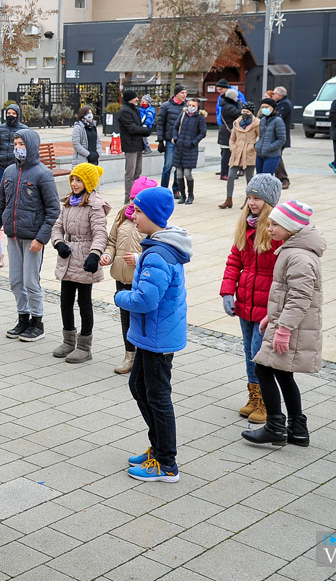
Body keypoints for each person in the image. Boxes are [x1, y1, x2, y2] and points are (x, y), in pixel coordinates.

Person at [114, 187, 192, 482]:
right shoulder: (156, 247)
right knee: (139, 386)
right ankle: (157, 447)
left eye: (140, 211)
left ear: (155, 217)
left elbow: (145, 300)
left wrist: (121, 297)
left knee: (157, 397)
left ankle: (166, 463)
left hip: (157, 337)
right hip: (150, 335)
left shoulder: (158, 254)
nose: (134, 216)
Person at [242, 201, 323, 448]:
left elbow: (300, 298)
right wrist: (271, 316)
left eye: (275, 224)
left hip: (292, 327)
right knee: (283, 374)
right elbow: (286, 293)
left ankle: (275, 426)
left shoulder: (298, 256)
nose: (269, 228)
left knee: (263, 368)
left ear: (291, 227)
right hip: (284, 322)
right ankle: (298, 430)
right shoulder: (291, 249)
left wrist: (284, 329)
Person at [219, 174, 283, 425]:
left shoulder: (276, 231)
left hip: (267, 303)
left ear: (269, 202)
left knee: (259, 352)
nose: (251, 202)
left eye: (256, 198)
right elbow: (234, 260)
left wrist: (276, 305)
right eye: (249, 197)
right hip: (245, 299)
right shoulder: (246, 225)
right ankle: (254, 395)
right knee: (248, 350)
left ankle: (267, 401)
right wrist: (227, 291)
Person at [0, 130, 60, 342]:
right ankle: (23, 317)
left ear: (32, 146)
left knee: (30, 281)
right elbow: (2, 204)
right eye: (15, 143)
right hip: (13, 236)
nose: (17, 147)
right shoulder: (9, 171)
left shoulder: (42, 174)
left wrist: (41, 238)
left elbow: (53, 210)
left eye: (21, 144)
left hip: (33, 238)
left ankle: (37, 321)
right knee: (16, 280)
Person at [49, 163, 110, 364]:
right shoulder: (68, 203)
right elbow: (57, 226)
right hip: (68, 258)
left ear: (88, 183)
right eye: (73, 180)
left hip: (85, 259)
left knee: (84, 302)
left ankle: (84, 346)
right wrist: (58, 243)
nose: (74, 184)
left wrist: (94, 254)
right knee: (65, 300)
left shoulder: (95, 205)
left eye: (79, 180)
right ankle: (68, 340)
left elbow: (100, 233)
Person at [105, 177, 156, 374]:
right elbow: (112, 240)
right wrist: (108, 255)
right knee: (125, 316)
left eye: (138, 199)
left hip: (140, 278)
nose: (133, 203)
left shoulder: (151, 221)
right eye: (132, 197)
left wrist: (138, 258)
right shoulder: (122, 216)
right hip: (121, 275)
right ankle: (129, 356)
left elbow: (156, 250)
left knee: (142, 318)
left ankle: (144, 357)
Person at [117, 90, 154, 204]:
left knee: (138, 172)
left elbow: (139, 125)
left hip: (138, 145)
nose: (138, 99)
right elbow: (132, 128)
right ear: (129, 99)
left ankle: (136, 195)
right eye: (135, 97)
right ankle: (128, 198)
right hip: (130, 146)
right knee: (130, 173)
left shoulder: (135, 110)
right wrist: (146, 130)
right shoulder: (124, 111)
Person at [221, 102, 259, 209]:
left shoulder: (257, 123)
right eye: (243, 111)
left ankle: (249, 201)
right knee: (231, 176)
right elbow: (232, 138)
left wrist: (253, 147)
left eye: (247, 111)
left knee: (249, 178)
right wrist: (233, 148)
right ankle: (229, 199)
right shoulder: (237, 122)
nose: (245, 113)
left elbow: (260, 137)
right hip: (237, 153)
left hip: (249, 153)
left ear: (251, 112)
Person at [170, 98, 207, 205]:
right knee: (179, 174)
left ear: (197, 107)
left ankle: (190, 195)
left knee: (187, 173)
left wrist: (194, 142)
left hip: (190, 148)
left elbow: (202, 132)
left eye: (193, 106)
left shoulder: (200, 118)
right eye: (190, 104)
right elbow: (175, 128)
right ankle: (183, 195)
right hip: (179, 147)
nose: (191, 107)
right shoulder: (182, 115)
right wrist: (176, 138)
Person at [158, 86, 187, 199]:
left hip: (182, 140)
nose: (184, 95)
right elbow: (161, 123)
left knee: (179, 167)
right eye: (182, 92)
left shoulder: (186, 106)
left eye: (185, 93)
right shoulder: (166, 106)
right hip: (170, 140)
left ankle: (177, 189)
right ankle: (163, 189)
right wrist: (161, 140)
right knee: (168, 166)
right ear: (176, 94)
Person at [0, 103, 29, 181]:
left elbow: (29, 146)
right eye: (8, 113)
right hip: (1, 164)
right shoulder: (0, 129)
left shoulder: (24, 129)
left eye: (13, 113)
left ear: (17, 115)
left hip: (16, 165)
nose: (10, 115)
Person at [214, 80, 241, 180]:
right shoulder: (228, 107)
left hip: (227, 131)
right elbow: (239, 112)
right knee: (226, 154)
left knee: (229, 154)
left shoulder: (226, 104)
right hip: (227, 133)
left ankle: (228, 172)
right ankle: (224, 173)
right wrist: (238, 103)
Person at [254, 97, 287, 177]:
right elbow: (261, 136)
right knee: (259, 178)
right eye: (262, 107)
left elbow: (282, 139)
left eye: (267, 107)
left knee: (266, 178)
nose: (264, 109)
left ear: (273, 108)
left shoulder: (278, 121)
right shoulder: (263, 120)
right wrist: (257, 145)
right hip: (260, 154)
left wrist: (270, 147)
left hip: (272, 155)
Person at [272, 86, 293, 188]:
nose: (272, 96)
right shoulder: (279, 103)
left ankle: (284, 179)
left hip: (281, 136)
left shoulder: (285, 104)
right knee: (275, 156)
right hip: (276, 135)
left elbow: (278, 117)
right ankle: (278, 178)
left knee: (277, 156)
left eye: (274, 94)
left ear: (279, 95)